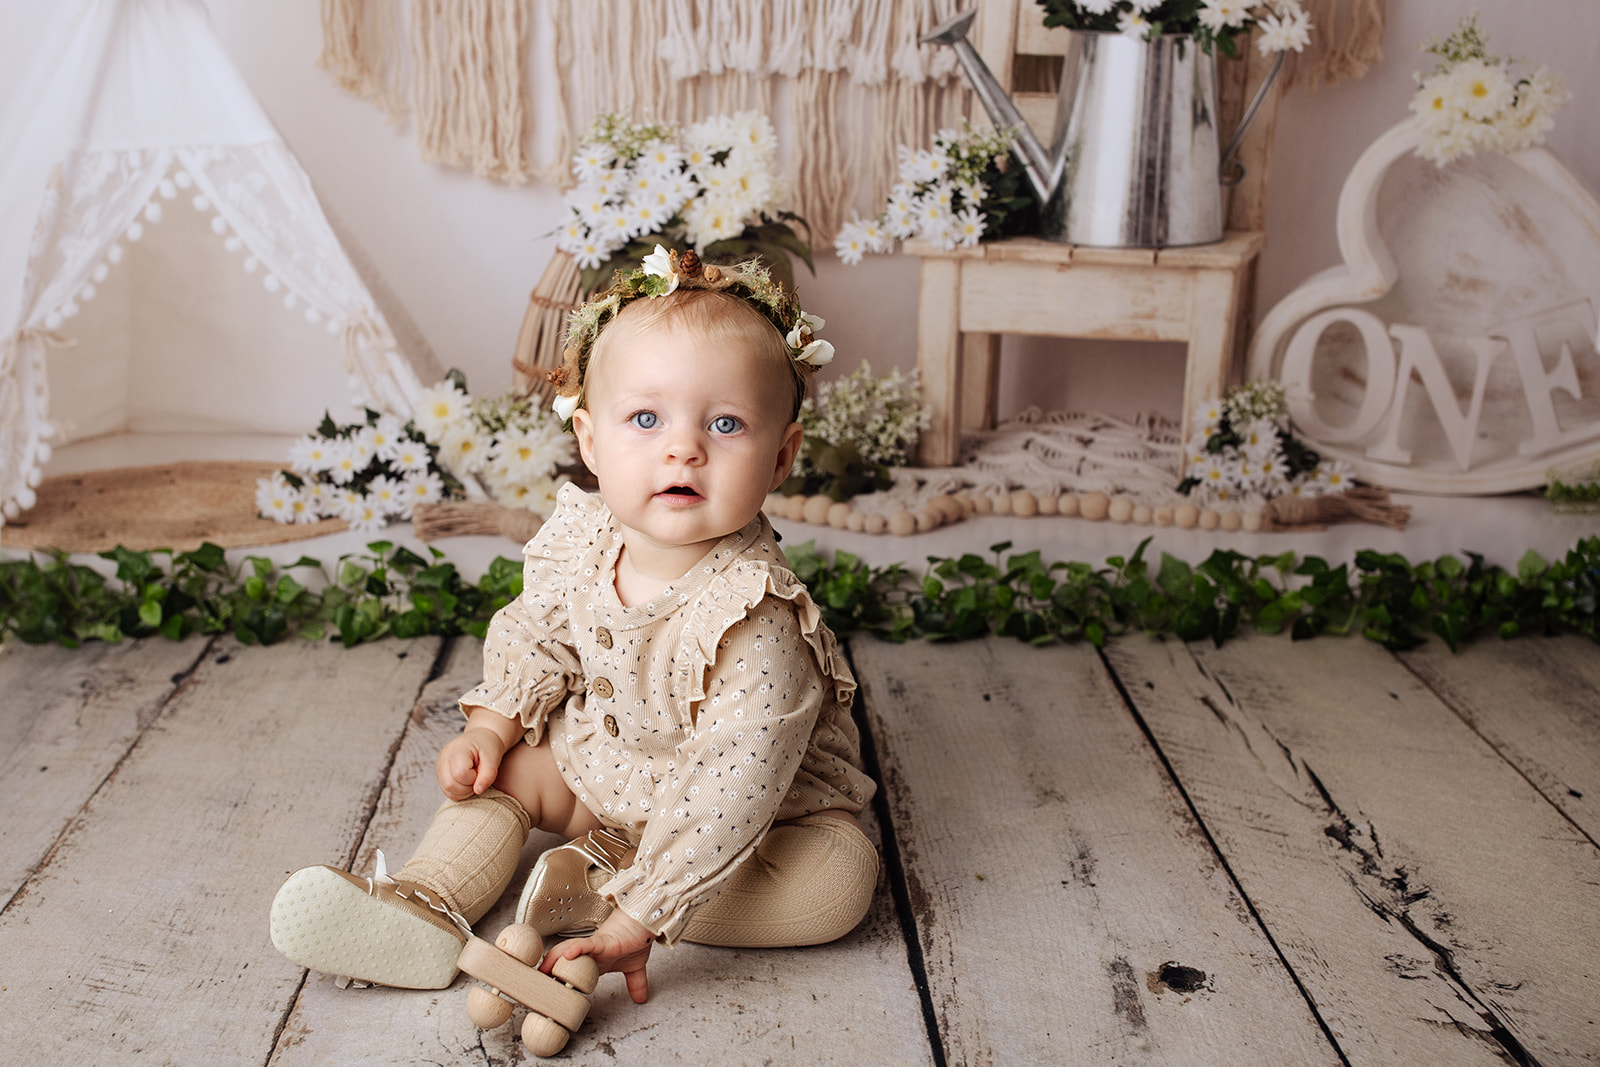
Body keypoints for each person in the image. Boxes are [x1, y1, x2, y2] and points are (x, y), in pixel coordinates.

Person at [269, 246, 879, 1006]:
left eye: (725, 423)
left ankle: (602, 888)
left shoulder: (756, 617)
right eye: (646, 418)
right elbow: (538, 633)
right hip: (615, 763)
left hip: (760, 816)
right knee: (510, 772)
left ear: (782, 455)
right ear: (590, 441)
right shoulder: (586, 541)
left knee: (837, 886)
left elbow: (735, 783)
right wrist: (490, 729)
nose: (682, 446)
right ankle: (424, 899)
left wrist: (643, 916)